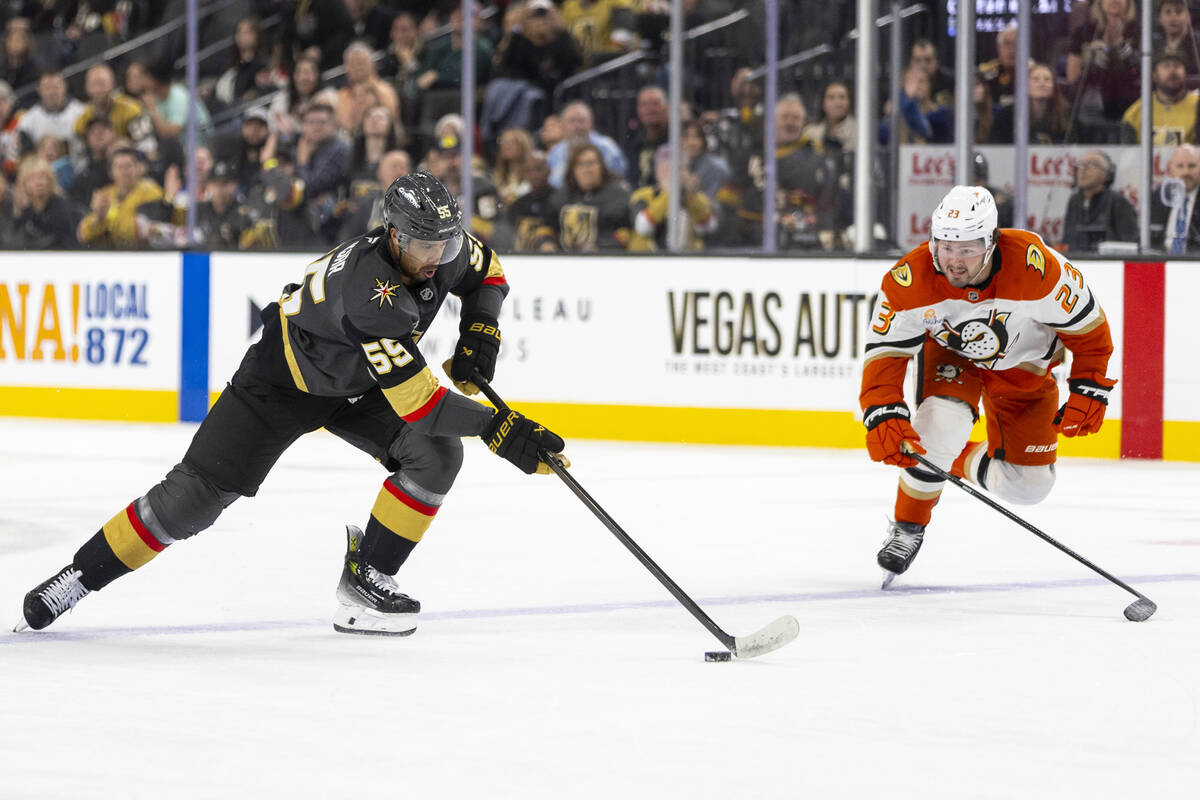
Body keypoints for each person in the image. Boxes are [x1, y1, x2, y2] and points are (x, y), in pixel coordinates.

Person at [15, 171, 567, 635]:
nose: (438, 256)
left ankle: (366, 578)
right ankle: (79, 576)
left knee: (437, 456)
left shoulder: (441, 246)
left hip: (359, 381)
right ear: (394, 234)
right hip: (281, 385)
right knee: (193, 501)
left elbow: (487, 269)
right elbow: (421, 404)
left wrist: (480, 330)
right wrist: (502, 428)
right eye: (426, 246)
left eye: (445, 243)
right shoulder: (370, 294)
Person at [861, 185, 1116, 583]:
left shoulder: (1038, 269)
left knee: (1029, 488)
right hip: (953, 356)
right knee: (938, 429)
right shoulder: (909, 280)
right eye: (946, 247)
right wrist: (882, 410)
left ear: (993, 241)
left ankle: (952, 461)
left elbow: (1089, 331)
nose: (954, 261)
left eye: (967, 249)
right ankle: (908, 526)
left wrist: (1089, 387)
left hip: (1026, 367)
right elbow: (885, 352)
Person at [1060, 150, 1137, 252]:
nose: (1083, 170)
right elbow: (1068, 240)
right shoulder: (1074, 200)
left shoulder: (1118, 202)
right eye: (1080, 165)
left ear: (1106, 174)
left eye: (1090, 164)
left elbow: (1130, 245)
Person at [1120, 49, 1197, 144]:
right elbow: (1127, 155)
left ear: (1185, 73)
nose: (1172, 71)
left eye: (1177, 65)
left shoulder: (1197, 105)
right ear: (1154, 75)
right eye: (1166, 66)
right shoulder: (1135, 114)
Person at [1151, 143, 1200, 252]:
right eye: (1180, 166)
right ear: (1171, 169)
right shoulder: (1160, 195)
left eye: (1192, 166)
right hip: (1161, 259)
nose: (1186, 172)